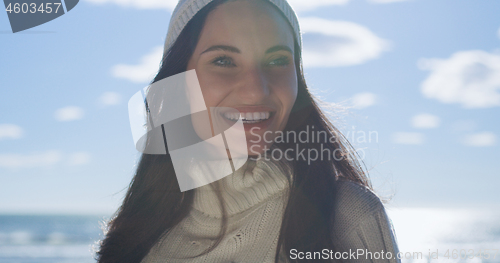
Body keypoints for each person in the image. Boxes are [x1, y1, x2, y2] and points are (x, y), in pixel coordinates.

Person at [97, 0, 401, 262]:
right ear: (179, 82)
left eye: (277, 60)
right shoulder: (136, 235)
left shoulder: (349, 216)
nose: (256, 91)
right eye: (224, 61)